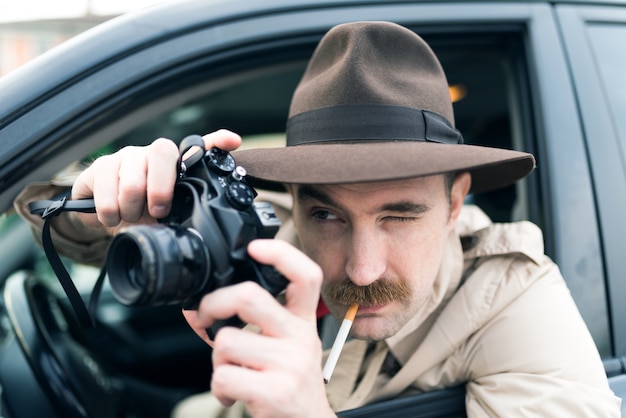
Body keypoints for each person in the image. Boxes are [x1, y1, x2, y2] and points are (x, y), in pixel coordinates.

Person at [14, 21, 621, 417]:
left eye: (400, 216)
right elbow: (50, 217)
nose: (360, 267)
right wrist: (108, 202)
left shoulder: (511, 297)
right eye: (327, 213)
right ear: (295, 198)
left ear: (456, 200)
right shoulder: (267, 227)